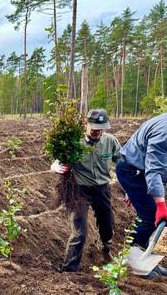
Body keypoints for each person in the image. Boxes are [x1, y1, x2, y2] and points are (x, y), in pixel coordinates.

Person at [51, 109, 121, 272]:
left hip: (102, 189)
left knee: (107, 224)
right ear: (86, 124)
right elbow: (55, 162)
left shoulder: (110, 141)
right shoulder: (74, 143)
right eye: (95, 127)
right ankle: (69, 268)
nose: (98, 131)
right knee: (80, 232)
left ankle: (106, 250)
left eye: (102, 128)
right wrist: (56, 167)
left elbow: (122, 162)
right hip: (79, 191)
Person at [116, 113, 167, 278]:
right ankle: (131, 263)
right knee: (150, 214)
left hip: (140, 169)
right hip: (132, 171)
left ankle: (143, 257)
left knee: (150, 215)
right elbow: (154, 170)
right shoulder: (164, 130)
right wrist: (160, 205)